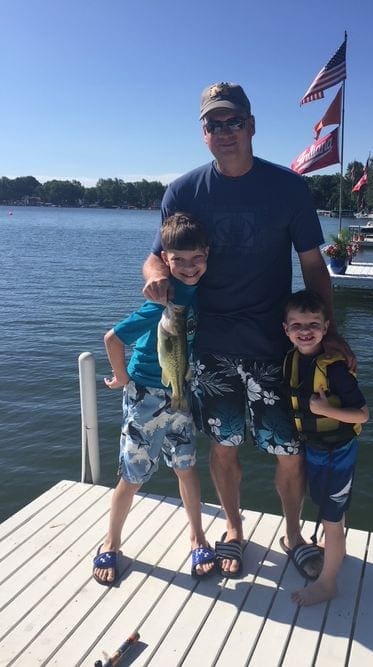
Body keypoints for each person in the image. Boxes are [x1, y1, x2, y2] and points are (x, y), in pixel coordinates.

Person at [142, 81, 355, 578]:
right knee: (223, 446)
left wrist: (331, 336)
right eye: (213, 124)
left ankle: (295, 533)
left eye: (233, 121)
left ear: (252, 125)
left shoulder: (288, 188)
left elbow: (314, 267)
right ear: (203, 133)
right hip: (212, 347)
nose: (224, 132)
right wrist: (154, 275)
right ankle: (233, 529)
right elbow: (158, 254)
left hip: (274, 348)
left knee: (289, 449)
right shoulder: (184, 191)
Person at [92, 212, 214, 585]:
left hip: (181, 390)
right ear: (164, 259)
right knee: (132, 476)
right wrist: (124, 379)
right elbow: (113, 338)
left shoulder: (201, 290)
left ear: (207, 256)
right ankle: (111, 540)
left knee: (186, 466)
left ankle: (197, 536)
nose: (189, 267)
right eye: (179, 260)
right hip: (144, 394)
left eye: (197, 259)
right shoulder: (163, 298)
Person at [282, 289, 369, 606]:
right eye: (297, 326)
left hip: (337, 453)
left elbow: (363, 414)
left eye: (313, 325)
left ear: (326, 326)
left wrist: (325, 412)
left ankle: (328, 582)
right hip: (315, 450)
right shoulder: (293, 359)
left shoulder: (334, 367)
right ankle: (335, 551)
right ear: (286, 330)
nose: (305, 332)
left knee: (332, 519)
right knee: (329, 511)